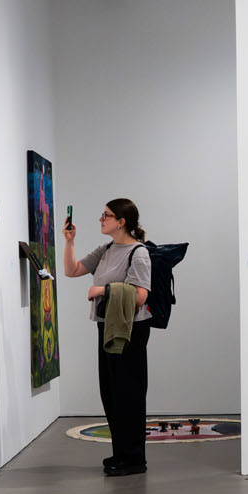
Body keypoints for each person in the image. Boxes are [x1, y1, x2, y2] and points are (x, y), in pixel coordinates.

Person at [62, 197, 153, 476]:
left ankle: (134, 459)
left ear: (121, 222)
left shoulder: (138, 253)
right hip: (106, 325)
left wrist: (102, 290)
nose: (101, 220)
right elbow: (72, 270)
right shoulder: (106, 249)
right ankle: (121, 453)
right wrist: (69, 242)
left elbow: (141, 296)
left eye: (106, 215)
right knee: (111, 393)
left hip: (130, 329)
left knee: (129, 393)